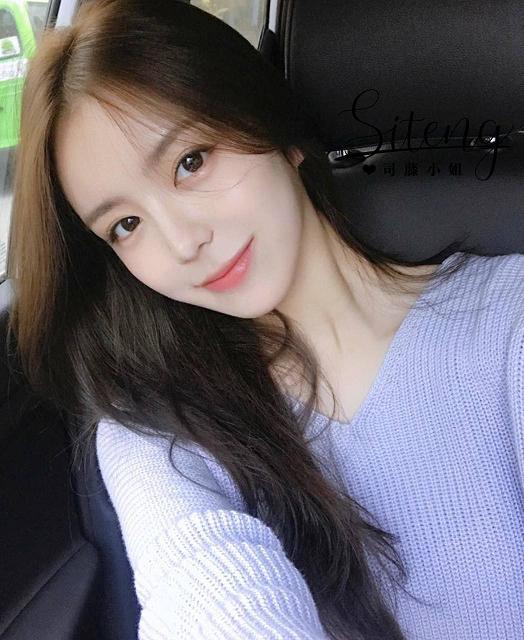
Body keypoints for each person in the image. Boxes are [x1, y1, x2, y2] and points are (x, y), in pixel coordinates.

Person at [7, 0, 523, 638]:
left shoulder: (508, 323)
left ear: (276, 129)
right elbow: (195, 579)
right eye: (127, 224)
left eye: (191, 161)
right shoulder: (157, 417)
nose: (183, 243)